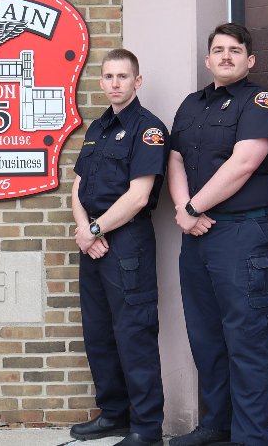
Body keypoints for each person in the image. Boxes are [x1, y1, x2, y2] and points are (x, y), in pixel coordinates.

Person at [166, 23, 268, 446]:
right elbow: (175, 159)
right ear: (208, 59)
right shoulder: (191, 104)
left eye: (235, 50)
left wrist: (193, 208)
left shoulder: (259, 101)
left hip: (244, 232)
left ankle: (250, 436)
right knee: (206, 335)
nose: (226, 56)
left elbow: (245, 161)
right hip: (196, 233)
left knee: (247, 337)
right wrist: (184, 210)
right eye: (219, 50)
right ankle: (217, 423)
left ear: (249, 60)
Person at [68, 49, 168, 446]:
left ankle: (146, 428)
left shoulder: (149, 129)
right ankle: (114, 414)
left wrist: (94, 229)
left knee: (134, 333)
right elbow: (78, 186)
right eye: (108, 76)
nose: (115, 83)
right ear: (101, 82)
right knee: (98, 333)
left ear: (137, 81)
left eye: (122, 76)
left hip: (127, 243)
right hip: (93, 240)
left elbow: (139, 196)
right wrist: (84, 230)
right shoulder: (97, 128)